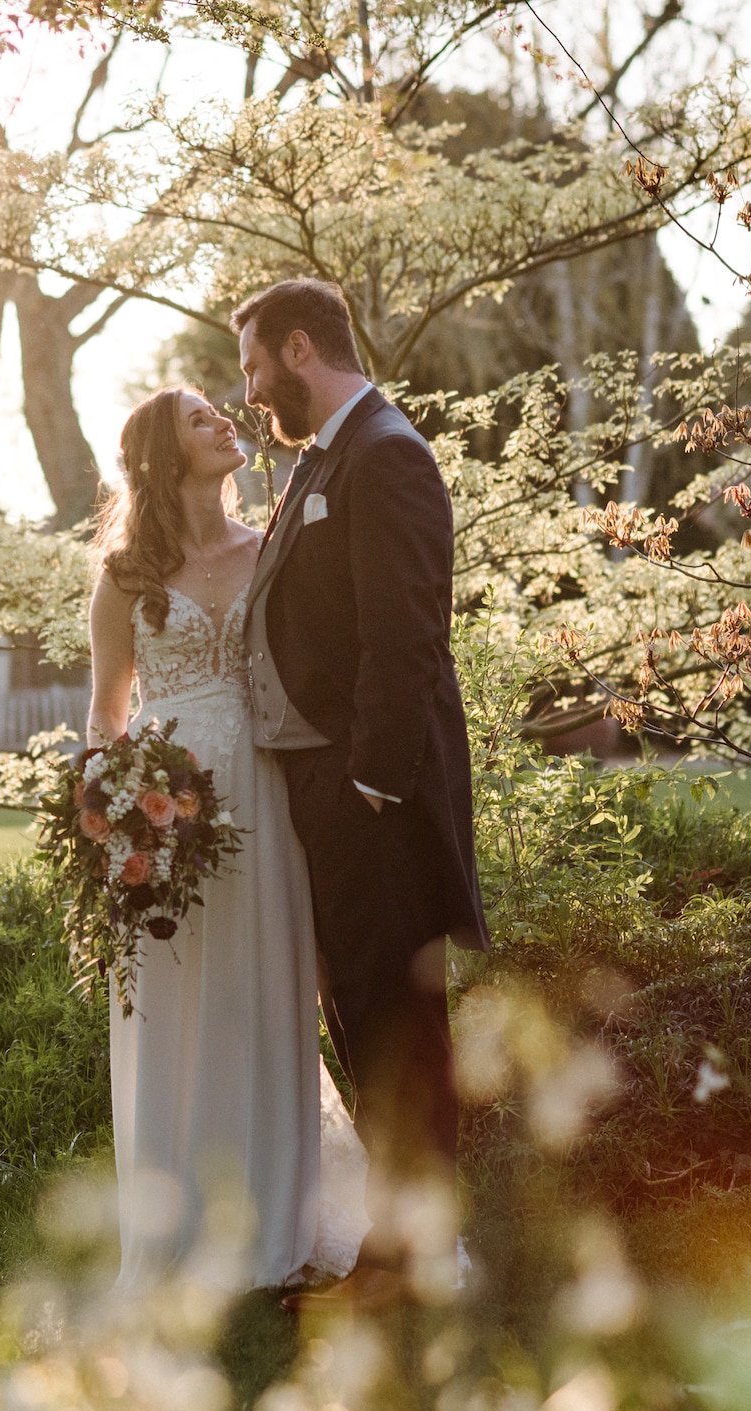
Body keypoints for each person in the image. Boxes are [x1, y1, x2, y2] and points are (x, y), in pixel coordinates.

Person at [234, 279, 488, 1313]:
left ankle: (428, 1251)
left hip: (375, 801)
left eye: (253, 366)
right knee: (364, 1012)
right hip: (332, 798)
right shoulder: (323, 458)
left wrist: (371, 788)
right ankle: (402, 1239)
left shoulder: (385, 454)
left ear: (300, 350)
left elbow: (406, 638)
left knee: (398, 1019)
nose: (248, 391)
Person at [87, 386, 369, 1293]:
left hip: (264, 783)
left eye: (222, 410)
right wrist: (117, 813)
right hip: (165, 808)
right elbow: (106, 710)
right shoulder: (125, 573)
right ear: (166, 459)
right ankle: (179, 1222)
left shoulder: (271, 547)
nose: (227, 423)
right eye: (202, 419)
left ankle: (278, 1215)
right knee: (172, 1007)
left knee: (265, 987)